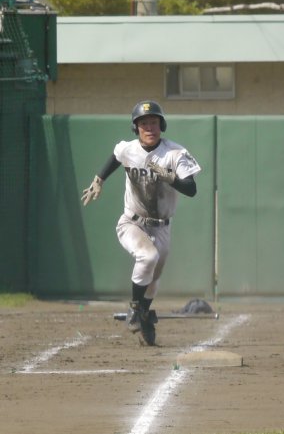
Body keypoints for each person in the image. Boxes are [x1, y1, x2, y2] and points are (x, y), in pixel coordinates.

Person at [81, 100, 201, 346]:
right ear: (136, 128)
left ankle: (144, 313)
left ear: (162, 125)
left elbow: (192, 189)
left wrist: (171, 178)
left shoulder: (175, 153)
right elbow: (116, 157)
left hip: (162, 226)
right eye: (144, 123)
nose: (149, 128)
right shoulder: (128, 148)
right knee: (147, 257)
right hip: (132, 223)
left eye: (154, 123)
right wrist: (99, 179)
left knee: (153, 280)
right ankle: (135, 309)